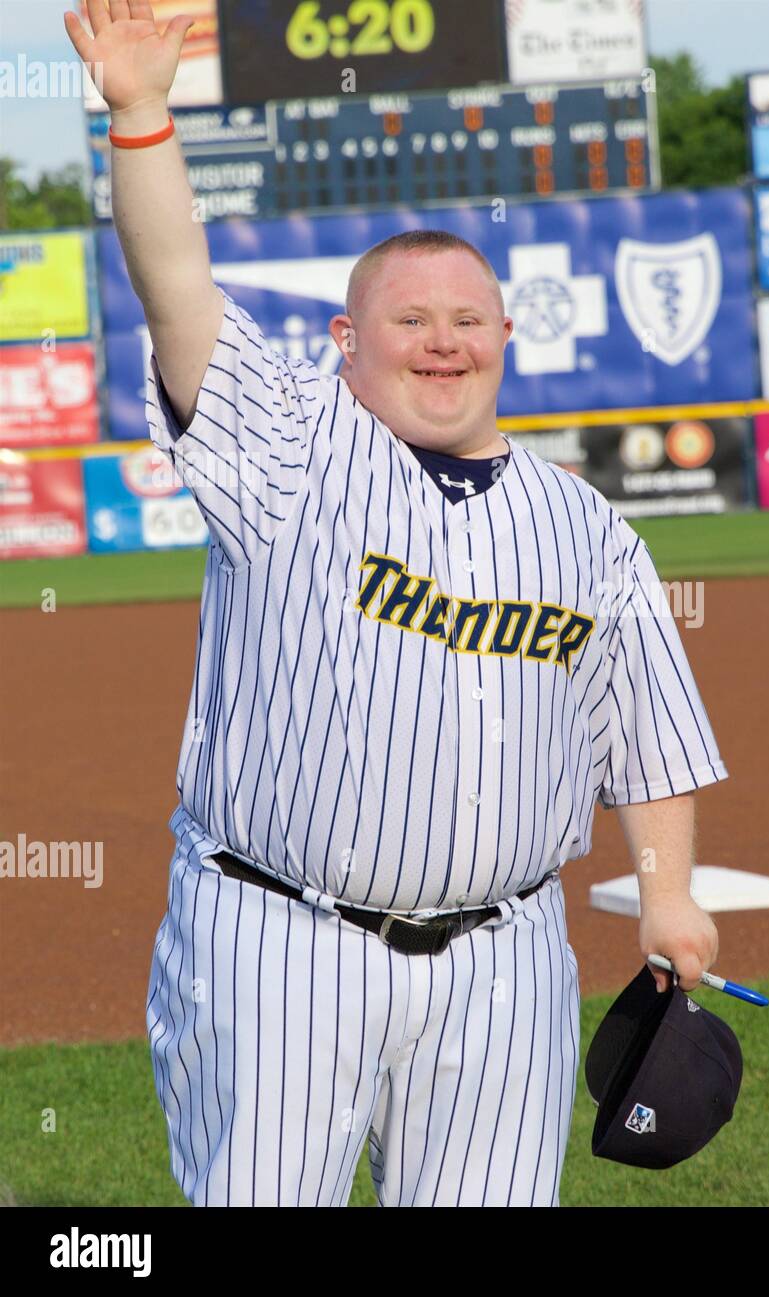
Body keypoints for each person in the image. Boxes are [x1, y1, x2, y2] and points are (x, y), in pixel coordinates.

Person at [65, 0, 728, 1207]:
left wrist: (669, 893)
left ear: (506, 339)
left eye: (467, 320)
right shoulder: (287, 449)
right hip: (280, 945)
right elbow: (176, 286)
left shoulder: (584, 529)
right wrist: (144, 116)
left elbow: (647, 729)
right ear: (343, 341)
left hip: (504, 962)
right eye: (409, 320)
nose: (443, 343)